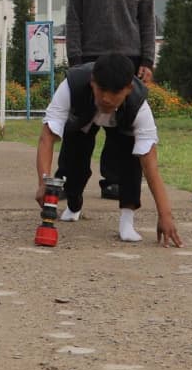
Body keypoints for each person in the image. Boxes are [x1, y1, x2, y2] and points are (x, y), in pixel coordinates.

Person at [33, 51, 183, 247]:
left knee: (130, 161)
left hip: (122, 123)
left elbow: (150, 165)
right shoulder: (72, 86)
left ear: (128, 89)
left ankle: (127, 221)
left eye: (114, 92)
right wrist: (43, 181)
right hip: (82, 119)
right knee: (72, 164)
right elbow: (47, 137)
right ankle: (74, 204)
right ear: (92, 82)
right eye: (101, 89)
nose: (106, 98)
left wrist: (165, 215)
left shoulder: (139, 107)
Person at [64, 0, 157, 201]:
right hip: (90, 60)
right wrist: (75, 62)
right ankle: (68, 183)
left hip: (128, 61)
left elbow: (147, 21)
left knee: (122, 129)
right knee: (80, 126)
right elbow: (73, 20)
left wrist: (147, 61)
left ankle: (114, 183)